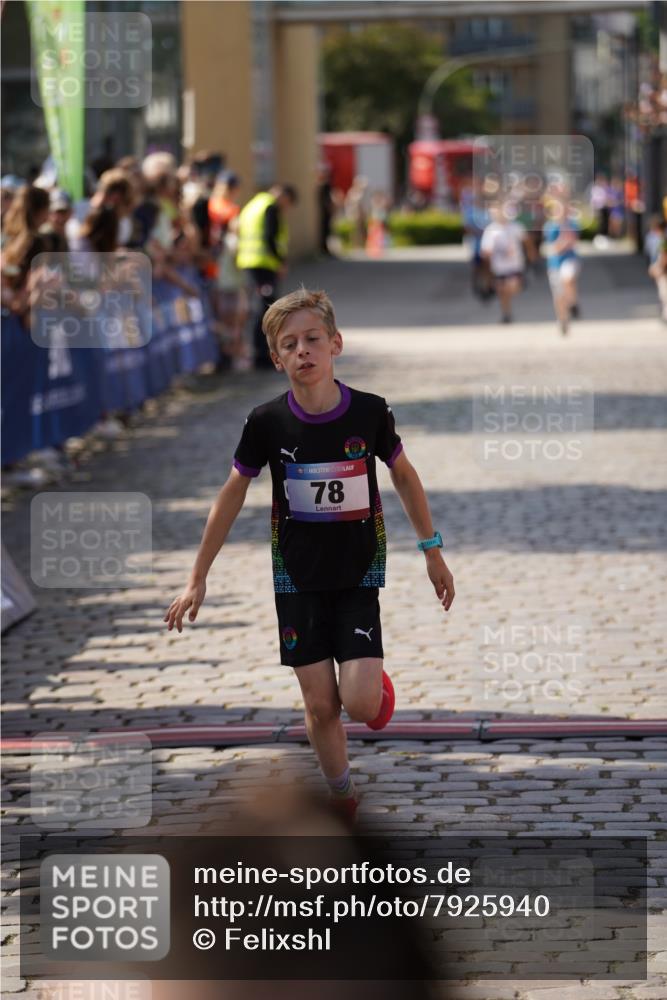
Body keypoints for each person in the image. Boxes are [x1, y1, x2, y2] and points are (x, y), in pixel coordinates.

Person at [163, 288, 455, 824]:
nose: (303, 351)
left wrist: (431, 550)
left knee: (360, 706)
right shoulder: (266, 422)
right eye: (289, 344)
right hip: (296, 575)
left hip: (358, 569)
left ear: (335, 344)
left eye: (313, 339)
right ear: (276, 359)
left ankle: (372, 689)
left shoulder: (369, 411)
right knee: (321, 705)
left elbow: (404, 475)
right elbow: (231, 494)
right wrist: (197, 576)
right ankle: (341, 795)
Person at [236, 183, 298, 369]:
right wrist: (280, 261)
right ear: (283, 196)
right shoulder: (270, 207)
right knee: (266, 309)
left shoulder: (254, 204)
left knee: (258, 308)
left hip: (249, 263)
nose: (285, 208)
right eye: (287, 203)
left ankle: (257, 353)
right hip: (264, 264)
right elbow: (269, 237)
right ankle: (262, 355)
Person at [480, 201, 534, 323]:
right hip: (499, 267)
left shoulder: (516, 227)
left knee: (511, 287)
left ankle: (517, 289)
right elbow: (486, 251)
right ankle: (506, 313)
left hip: (515, 265)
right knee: (502, 292)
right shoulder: (491, 230)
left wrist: (531, 255)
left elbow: (527, 241)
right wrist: (487, 268)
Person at [542, 199, 581, 336]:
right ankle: (562, 319)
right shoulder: (550, 227)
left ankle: (573, 303)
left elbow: (574, 241)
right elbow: (554, 247)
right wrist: (563, 243)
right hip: (555, 264)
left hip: (569, 260)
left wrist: (565, 242)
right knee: (558, 295)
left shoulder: (572, 225)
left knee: (568, 277)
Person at [647, 217, 667, 324]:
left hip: (663, 270)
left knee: (664, 294)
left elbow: (664, 255)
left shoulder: (663, 238)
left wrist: (658, 267)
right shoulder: (659, 238)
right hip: (661, 268)